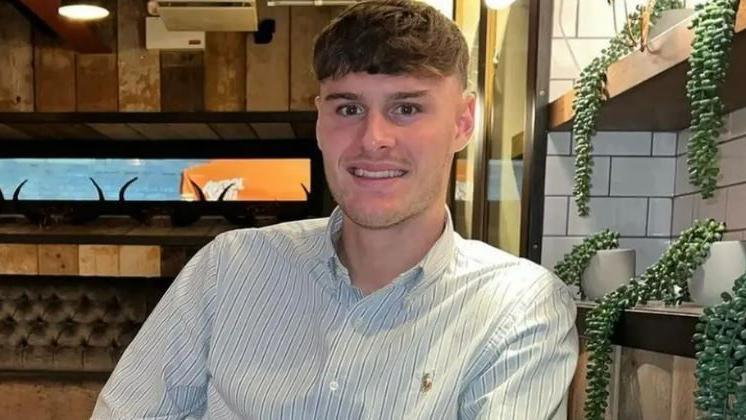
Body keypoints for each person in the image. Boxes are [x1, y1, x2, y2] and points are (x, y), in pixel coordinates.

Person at [91, 0, 578, 418]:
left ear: (463, 121)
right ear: (320, 119)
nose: (373, 140)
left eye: (406, 108)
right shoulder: (226, 270)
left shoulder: (519, 310)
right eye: (348, 108)